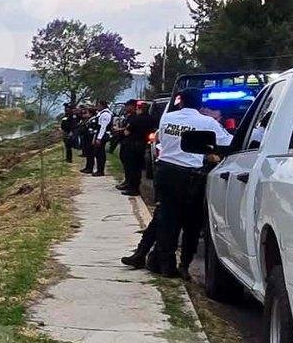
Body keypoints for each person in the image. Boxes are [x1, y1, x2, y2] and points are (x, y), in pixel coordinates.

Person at [124, 89, 231, 276]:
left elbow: (162, 141)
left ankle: (153, 258)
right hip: (191, 177)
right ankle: (179, 266)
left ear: (180, 102)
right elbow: (229, 142)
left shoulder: (167, 118)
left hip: (165, 172)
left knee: (165, 216)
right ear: (201, 105)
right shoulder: (207, 122)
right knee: (190, 222)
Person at [115, 99, 149, 196]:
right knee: (137, 168)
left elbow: (127, 132)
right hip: (141, 145)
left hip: (132, 145)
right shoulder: (150, 118)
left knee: (131, 168)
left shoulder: (136, 119)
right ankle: (132, 186)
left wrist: (120, 130)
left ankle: (133, 188)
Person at [88, 100, 112, 177]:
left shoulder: (105, 114)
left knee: (100, 153)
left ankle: (100, 170)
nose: (97, 107)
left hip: (102, 135)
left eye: (98, 105)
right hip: (100, 134)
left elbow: (103, 127)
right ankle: (99, 169)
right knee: (98, 153)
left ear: (102, 106)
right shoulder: (101, 113)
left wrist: (99, 138)